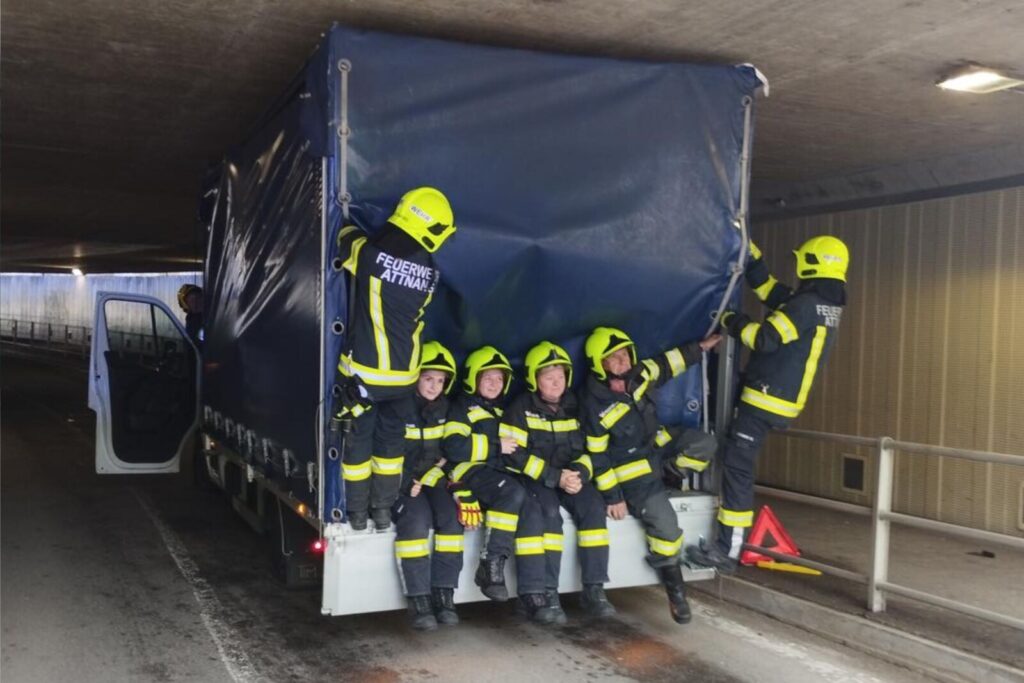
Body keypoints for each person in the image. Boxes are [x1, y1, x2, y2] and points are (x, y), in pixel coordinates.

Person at [686, 236, 849, 573]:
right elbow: (771, 292)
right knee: (736, 462)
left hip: (765, 399)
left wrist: (732, 321)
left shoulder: (805, 306)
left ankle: (728, 551)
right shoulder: (821, 303)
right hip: (778, 399)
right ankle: (728, 545)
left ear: (812, 264)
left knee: (737, 468)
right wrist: (754, 259)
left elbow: (763, 339)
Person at [332, 187, 457, 531]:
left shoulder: (371, 256)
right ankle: (383, 512)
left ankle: (357, 514)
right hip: (405, 379)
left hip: (365, 376)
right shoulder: (431, 271)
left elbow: (343, 237)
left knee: (358, 448)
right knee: (389, 448)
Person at [580, 327, 720, 624]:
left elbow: (670, 363)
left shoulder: (641, 373)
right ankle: (675, 590)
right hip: (633, 475)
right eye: (613, 357)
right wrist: (613, 497)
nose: (622, 361)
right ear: (598, 363)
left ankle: (669, 473)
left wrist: (702, 346)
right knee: (667, 530)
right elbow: (597, 456)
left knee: (704, 444)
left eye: (624, 354)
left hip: (655, 449)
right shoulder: (593, 403)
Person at [500, 341, 616, 624]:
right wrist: (555, 477)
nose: (556, 382)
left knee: (593, 506)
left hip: (570, 477)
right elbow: (513, 456)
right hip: (537, 479)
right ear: (534, 379)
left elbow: (593, 449)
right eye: (548, 377)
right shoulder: (520, 408)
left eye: (560, 376)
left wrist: (578, 474)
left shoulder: (578, 405)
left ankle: (594, 589)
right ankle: (548, 592)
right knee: (549, 514)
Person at [442, 346, 555, 624]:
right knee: (512, 491)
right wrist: (496, 446)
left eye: (499, 378)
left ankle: (532, 593)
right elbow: (454, 447)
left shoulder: (507, 409)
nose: (494, 383)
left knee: (531, 507)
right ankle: (490, 565)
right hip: (470, 472)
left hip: (499, 474)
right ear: (474, 379)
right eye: (487, 377)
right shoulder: (461, 407)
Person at [391, 341, 465, 630]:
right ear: (415, 378)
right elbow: (383, 451)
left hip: (433, 479)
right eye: (428, 379)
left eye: (440, 381)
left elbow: (453, 450)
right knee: (415, 520)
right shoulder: (399, 407)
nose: (435, 386)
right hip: (401, 483)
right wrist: (403, 482)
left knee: (451, 519)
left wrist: (453, 480)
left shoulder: (448, 408)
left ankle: (444, 595)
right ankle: (420, 600)